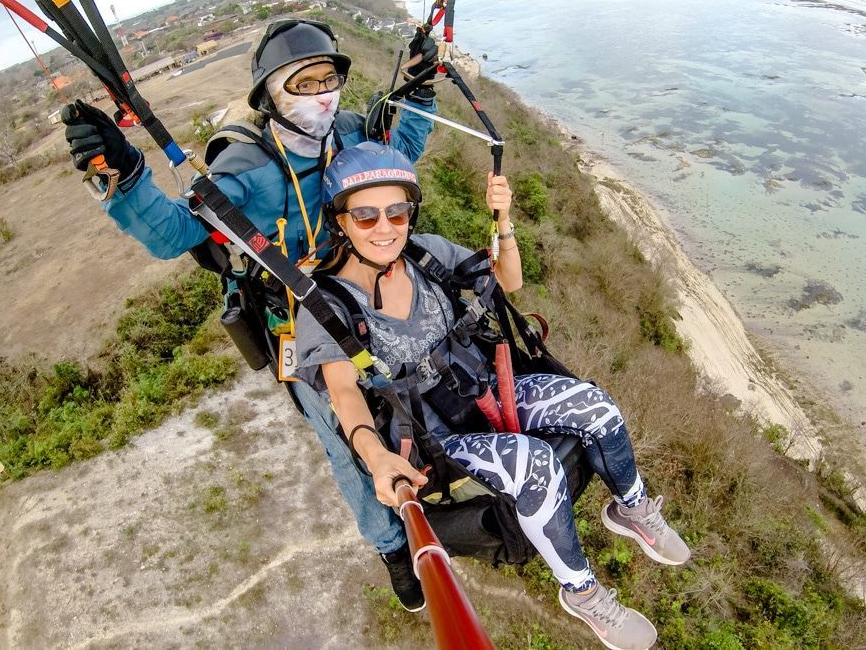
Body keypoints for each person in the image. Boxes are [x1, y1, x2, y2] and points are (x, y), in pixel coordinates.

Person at [60, 20, 439, 610]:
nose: (322, 94)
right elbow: (177, 233)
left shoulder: (347, 130)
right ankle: (392, 548)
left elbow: (398, 157)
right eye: (303, 81)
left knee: (424, 386)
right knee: (344, 438)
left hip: (371, 290)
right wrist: (124, 174)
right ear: (271, 94)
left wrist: (420, 90)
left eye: (329, 78)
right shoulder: (246, 166)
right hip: (305, 317)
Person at [294, 143, 691, 650]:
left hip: (481, 388)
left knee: (597, 406)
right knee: (536, 464)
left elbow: (510, 279)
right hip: (431, 436)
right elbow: (344, 392)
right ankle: (584, 592)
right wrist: (375, 457)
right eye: (366, 216)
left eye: (397, 211)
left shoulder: (426, 254)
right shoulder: (326, 304)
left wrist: (503, 221)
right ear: (341, 221)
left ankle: (631, 509)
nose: (385, 227)